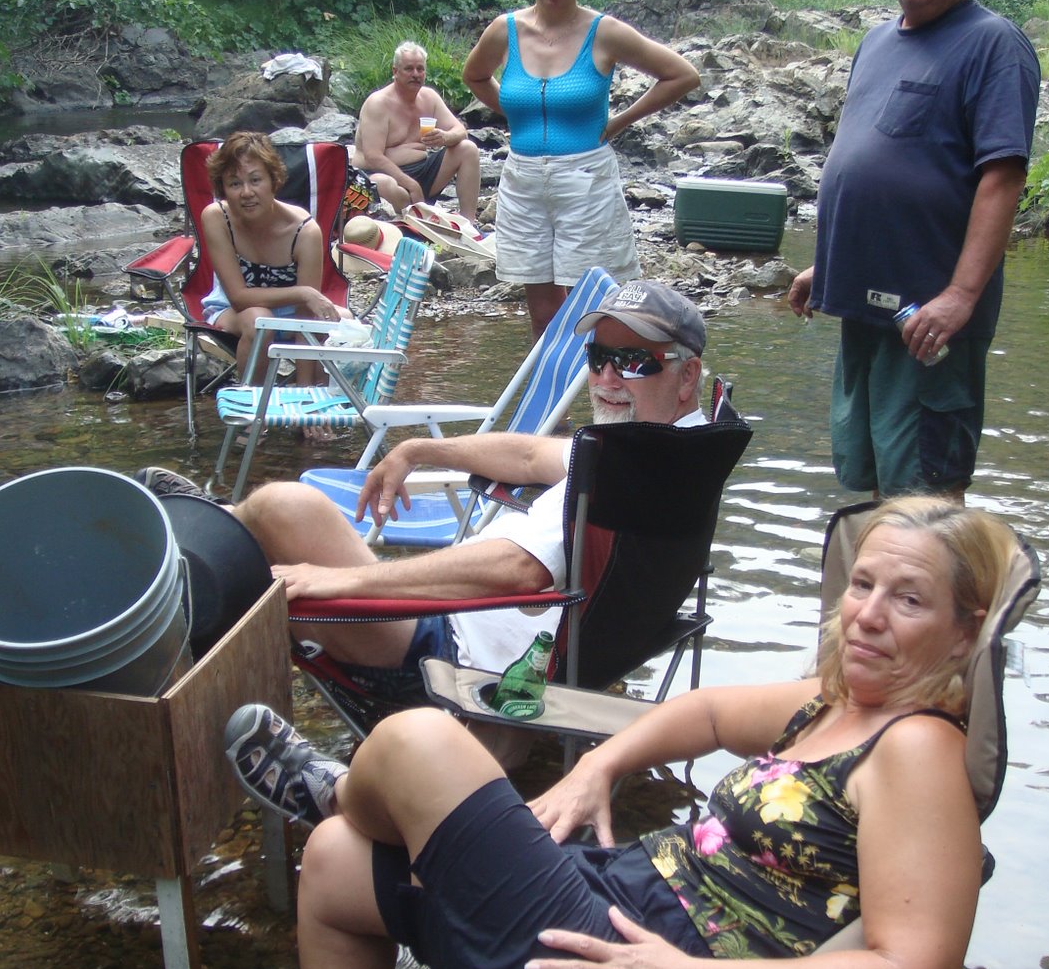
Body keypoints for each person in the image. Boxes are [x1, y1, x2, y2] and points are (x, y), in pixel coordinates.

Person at [165, 494, 1018, 969]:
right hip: (619, 905)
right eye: (862, 586)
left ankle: (343, 791)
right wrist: (594, 769)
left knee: (422, 741)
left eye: (908, 599)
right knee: (339, 861)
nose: (867, 615)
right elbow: (705, 711)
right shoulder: (836, 706)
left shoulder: (917, 751)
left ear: (965, 631)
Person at [139, 280, 708, 699]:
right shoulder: (668, 449)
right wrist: (420, 449)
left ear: (687, 375)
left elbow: (518, 571)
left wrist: (341, 580)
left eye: (634, 362)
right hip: (483, 626)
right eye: (599, 358)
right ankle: (207, 537)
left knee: (281, 517)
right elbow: (532, 455)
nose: (606, 379)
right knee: (278, 523)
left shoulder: (632, 471)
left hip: (456, 658)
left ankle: (185, 564)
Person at [788, 0, 1041, 498]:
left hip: (931, 324)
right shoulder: (876, 43)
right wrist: (831, 266)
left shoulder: (994, 44)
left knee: (928, 499)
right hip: (865, 309)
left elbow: (1002, 178)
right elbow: (883, 161)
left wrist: (960, 296)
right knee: (874, 488)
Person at [462, 0, 700, 341]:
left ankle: (597, 380)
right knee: (542, 315)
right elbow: (475, 75)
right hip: (523, 181)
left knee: (589, 308)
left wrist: (619, 122)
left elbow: (682, 75)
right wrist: (516, 114)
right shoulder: (506, 30)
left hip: (585, 179)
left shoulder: (604, 32)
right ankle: (553, 388)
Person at [197, 131, 345, 381]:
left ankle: (314, 399)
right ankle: (252, 404)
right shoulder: (216, 217)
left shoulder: (303, 231)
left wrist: (303, 387)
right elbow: (238, 298)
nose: (246, 192)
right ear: (223, 188)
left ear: (273, 180)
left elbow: (305, 317)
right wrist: (303, 293)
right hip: (234, 309)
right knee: (260, 320)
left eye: (255, 180)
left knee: (339, 323)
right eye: (234, 184)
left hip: (292, 311)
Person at [350, 42, 481, 220]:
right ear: (395, 71)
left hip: (422, 172)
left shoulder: (429, 97)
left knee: (468, 149)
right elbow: (373, 156)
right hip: (385, 176)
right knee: (383, 183)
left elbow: (460, 131)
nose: (415, 74)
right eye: (409, 69)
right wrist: (411, 185)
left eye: (420, 69)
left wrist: (445, 137)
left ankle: (468, 222)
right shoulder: (378, 103)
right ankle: (414, 217)